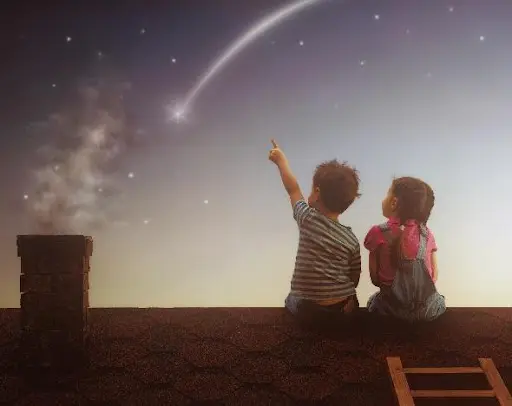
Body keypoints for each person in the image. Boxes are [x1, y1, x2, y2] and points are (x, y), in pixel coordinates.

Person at [268, 139, 362, 327]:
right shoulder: (351, 239)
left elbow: (292, 189)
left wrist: (281, 161)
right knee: (350, 296)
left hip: (310, 312)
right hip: (341, 309)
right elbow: (354, 277)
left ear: (317, 192)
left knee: (291, 299)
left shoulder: (307, 218)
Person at [364, 177, 446, 322]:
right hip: (425, 312)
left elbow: (375, 279)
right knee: (439, 300)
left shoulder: (377, 232)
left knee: (373, 302)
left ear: (394, 203)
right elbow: (433, 276)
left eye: (387, 194)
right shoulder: (427, 235)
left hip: (390, 310)